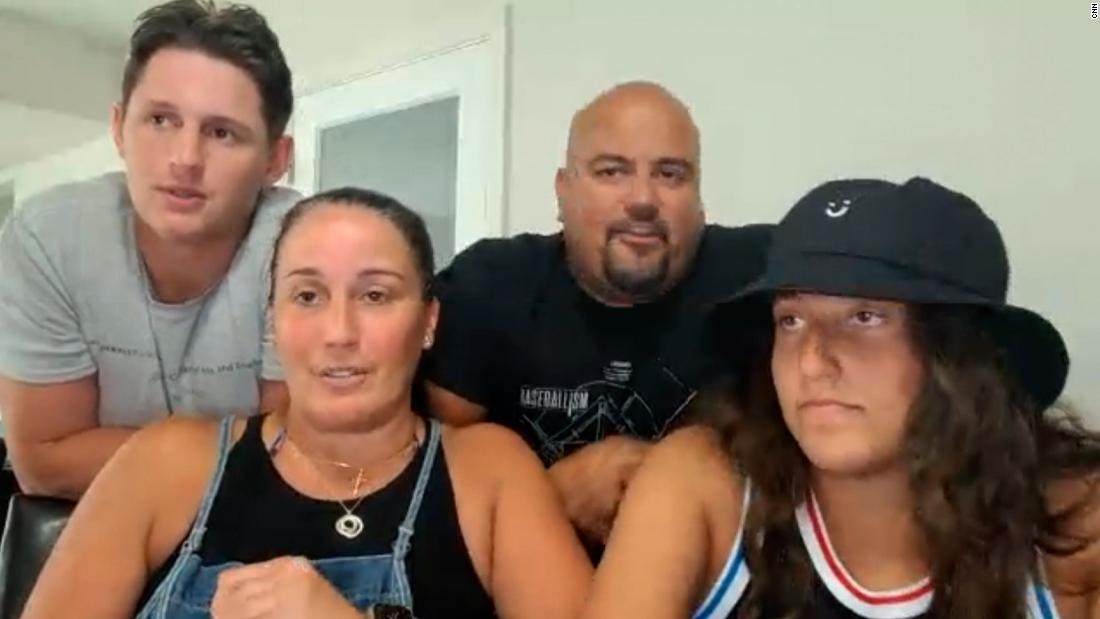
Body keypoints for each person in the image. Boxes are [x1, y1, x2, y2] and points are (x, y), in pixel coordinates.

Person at [22, 187, 592, 619]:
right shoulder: (164, 462)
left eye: (375, 295)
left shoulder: (490, 473)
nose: (339, 332)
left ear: (428, 322)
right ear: (272, 321)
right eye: (308, 295)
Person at [584, 177, 1100, 617]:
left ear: (960, 353)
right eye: (791, 320)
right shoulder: (707, 480)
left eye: (865, 318)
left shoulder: (1073, 522)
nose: (812, 362)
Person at [424, 81, 771, 543]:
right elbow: (419, 480)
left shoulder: (763, 276)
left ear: (699, 197)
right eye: (611, 172)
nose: (643, 199)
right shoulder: (491, 287)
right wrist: (547, 495)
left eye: (671, 174)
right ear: (563, 191)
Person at [0, 0, 300, 499]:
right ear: (119, 128)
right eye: (161, 120)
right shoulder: (48, 238)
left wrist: (122, 455)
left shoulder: (303, 246)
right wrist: (239, 447)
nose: (185, 159)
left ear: (276, 159)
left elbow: (298, 461)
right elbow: (45, 464)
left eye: (222, 133)